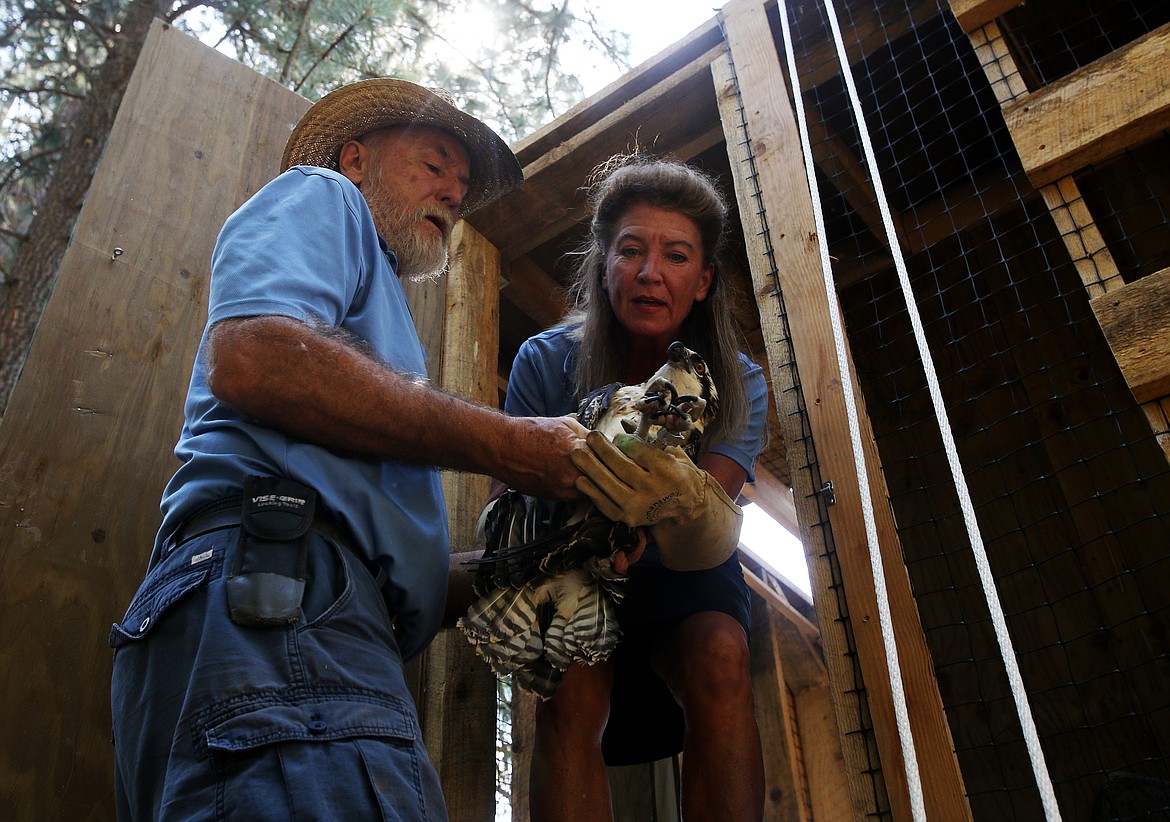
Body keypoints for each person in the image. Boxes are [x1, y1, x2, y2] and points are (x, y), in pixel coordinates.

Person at [108, 78, 589, 821]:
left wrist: (537, 557)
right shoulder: (323, 194)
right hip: (278, 604)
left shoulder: (378, 308)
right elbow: (251, 357)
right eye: (434, 166)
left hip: (288, 612)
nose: (454, 195)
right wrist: (513, 445)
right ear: (356, 159)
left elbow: (389, 560)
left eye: (462, 188)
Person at [502, 155, 770, 820]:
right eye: (630, 250)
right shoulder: (544, 361)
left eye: (676, 256)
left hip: (686, 565)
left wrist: (645, 520)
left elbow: (709, 503)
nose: (651, 273)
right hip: (573, 560)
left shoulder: (740, 380)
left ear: (703, 280)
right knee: (567, 685)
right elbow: (521, 484)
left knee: (721, 652)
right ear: (603, 266)